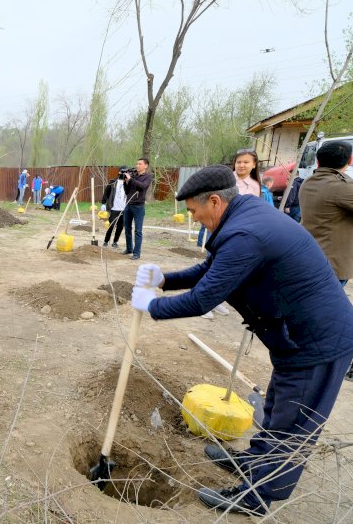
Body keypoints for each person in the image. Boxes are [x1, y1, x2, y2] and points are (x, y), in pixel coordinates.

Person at [131, 164, 353, 516]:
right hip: (296, 338)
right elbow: (211, 270)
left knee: (292, 424)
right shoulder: (244, 217)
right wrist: (165, 279)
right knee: (279, 404)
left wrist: (154, 307)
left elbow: (204, 298)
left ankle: (255, 498)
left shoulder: (245, 235)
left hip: (317, 342)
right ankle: (252, 461)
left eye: (194, 211)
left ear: (215, 201)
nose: (194, 219)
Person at [299, 140, 353, 382]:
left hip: (310, 259)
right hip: (332, 264)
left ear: (318, 161)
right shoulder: (339, 188)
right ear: (349, 161)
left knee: (317, 313)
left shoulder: (310, 182)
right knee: (334, 317)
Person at [121, 157, 153, 260]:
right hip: (128, 205)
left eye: (140, 164)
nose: (137, 166)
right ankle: (129, 248)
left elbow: (142, 187)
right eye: (137, 164)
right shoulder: (133, 175)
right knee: (127, 229)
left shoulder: (148, 176)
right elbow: (127, 192)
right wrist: (125, 182)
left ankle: (136, 253)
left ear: (145, 165)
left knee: (138, 231)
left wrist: (131, 180)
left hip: (139, 207)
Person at [101, 167, 127, 247]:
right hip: (114, 208)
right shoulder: (113, 182)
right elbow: (106, 193)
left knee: (120, 227)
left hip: (124, 209)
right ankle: (106, 241)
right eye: (123, 172)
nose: (125, 173)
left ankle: (115, 242)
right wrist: (103, 203)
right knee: (111, 226)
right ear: (119, 172)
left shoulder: (128, 182)